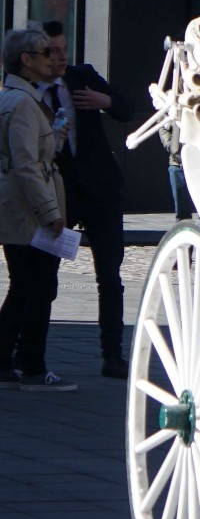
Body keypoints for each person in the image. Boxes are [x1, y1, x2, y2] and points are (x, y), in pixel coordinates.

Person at [42, 22, 135, 378]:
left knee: (109, 276)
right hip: (59, 194)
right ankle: (30, 354)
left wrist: (105, 101)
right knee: (44, 277)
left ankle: (113, 356)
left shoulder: (82, 77)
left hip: (101, 191)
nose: (61, 56)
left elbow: (127, 108)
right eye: (52, 50)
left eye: (64, 48)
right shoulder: (29, 90)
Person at [0, 28, 76, 391]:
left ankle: (12, 362)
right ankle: (30, 364)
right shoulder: (21, 101)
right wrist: (50, 213)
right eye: (45, 51)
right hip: (28, 212)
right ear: (26, 60)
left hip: (23, 209)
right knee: (35, 287)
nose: (53, 56)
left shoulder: (23, 98)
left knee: (28, 287)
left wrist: (56, 136)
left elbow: (34, 153)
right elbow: (26, 164)